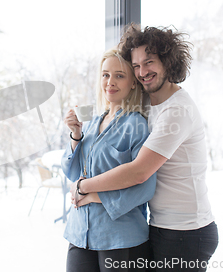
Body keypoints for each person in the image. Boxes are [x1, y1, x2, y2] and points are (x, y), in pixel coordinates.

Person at [73, 25, 219, 272]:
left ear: (168, 62)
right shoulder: (149, 104)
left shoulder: (177, 111)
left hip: (186, 231)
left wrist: (82, 186)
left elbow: (139, 172)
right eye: (136, 65)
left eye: (149, 62)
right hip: (160, 226)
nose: (142, 72)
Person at [62, 48, 157, 272]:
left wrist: (94, 196)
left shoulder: (136, 125)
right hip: (79, 233)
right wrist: (76, 134)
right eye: (105, 74)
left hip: (121, 238)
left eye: (119, 75)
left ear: (133, 83)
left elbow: (145, 187)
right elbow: (73, 172)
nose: (110, 82)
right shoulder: (93, 123)